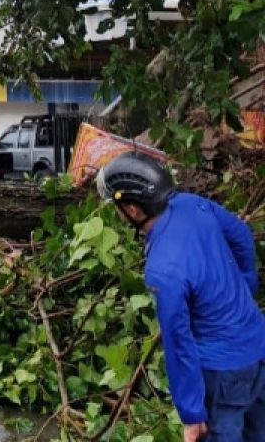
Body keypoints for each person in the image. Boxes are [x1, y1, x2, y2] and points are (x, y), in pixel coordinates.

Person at [97, 153, 265, 442]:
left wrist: (191, 415)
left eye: (117, 207)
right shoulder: (192, 204)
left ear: (134, 211)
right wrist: (246, 285)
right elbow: (241, 236)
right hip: (258, 345)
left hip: (222, 373)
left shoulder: (162, 269)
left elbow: (179, 342)